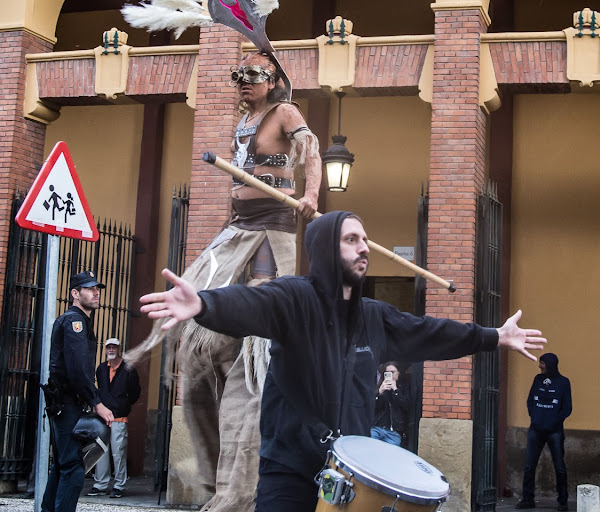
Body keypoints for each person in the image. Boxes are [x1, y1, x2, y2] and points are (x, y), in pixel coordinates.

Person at [139, 211, 546, 512]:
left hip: (349, 474)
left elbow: (430, 332)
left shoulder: (374, 316)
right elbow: (252, 303)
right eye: (351, 239)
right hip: (289, 469)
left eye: (365, 239)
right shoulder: (294, 298)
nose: (364, 247)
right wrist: (205, 304)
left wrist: (493, 337)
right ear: (323, 249)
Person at [127, 50, 321, 512]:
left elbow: (310, 152)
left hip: (270, 239)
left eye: (252, 74)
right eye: (238, 74)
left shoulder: (284, 112)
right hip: (235, 233)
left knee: (254, 365)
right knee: (194, 350)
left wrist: (311, 193)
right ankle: (218, 485)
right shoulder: (244, 119)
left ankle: (237, 494)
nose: (242, 81)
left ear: (274, 80)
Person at [41, 271, 114, 512]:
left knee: (63, 464)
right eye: (89, 288)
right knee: (73, 466)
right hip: (68, 403)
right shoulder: (75, 322)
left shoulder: (76, 321)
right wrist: (97, 402)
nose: (96, 292)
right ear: (75, 293)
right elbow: (78, 369)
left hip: (64, 403)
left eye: (97, 289)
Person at [516, 353, 572, 511]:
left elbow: (567, 408)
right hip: (535, 430)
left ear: (550, 364)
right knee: (529, 466)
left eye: (542, 363)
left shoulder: (563, 382)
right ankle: (527, 499)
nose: (540, 366)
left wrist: (553, 421)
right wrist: (535, 417)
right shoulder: (537, 379)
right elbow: (530, 400)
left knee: (559, 466)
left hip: (555, 432)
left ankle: (562, 501)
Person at [87, 337, 140, 499]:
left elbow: (135, 393)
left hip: (119, 416)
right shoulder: (101, 369)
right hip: (103, 417)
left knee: (119, 452)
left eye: (114, 347)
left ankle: (118, 485)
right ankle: (100, 484)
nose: (111, 350)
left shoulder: (129, 369)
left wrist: (122, 405)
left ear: (119, 349)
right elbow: (101, 389)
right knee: (100, 452)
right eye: (108, 347)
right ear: (105, 350)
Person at [370, 361, 410, 447]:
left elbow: (406, 406)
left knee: (390, 456)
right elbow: (371, 409)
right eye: (387, 373)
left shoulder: (404, 387)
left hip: (394, 431)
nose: (390, 375)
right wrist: (379, 393)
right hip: (376, 428)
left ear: (398, 373)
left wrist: (395, 390)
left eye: (392, 372)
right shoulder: (379, 387)